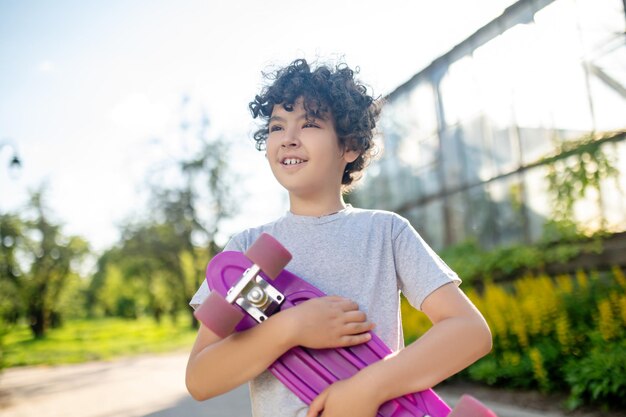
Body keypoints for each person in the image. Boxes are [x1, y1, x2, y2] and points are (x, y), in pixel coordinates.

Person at [185, 58, 492, 417]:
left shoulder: (385, 232)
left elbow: (470, 331)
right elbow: (200, 378)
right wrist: (292, 326)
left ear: (349, 147)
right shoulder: (245, 251)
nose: (288, 139)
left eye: (310, 123)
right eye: (276, 127)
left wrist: (366, 388)